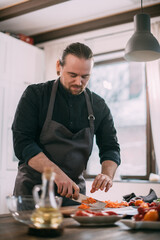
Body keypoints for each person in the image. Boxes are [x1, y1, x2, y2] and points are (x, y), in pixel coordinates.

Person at [12, 42, 121, 206]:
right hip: (33, 194)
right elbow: (23, 144)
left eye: (85, 77)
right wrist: (57, 175)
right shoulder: (35, 95)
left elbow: (111, 147)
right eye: (72, 75)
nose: (79, 82)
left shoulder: (98, 105)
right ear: (59, 66)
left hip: (74, 196)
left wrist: (107, 174)